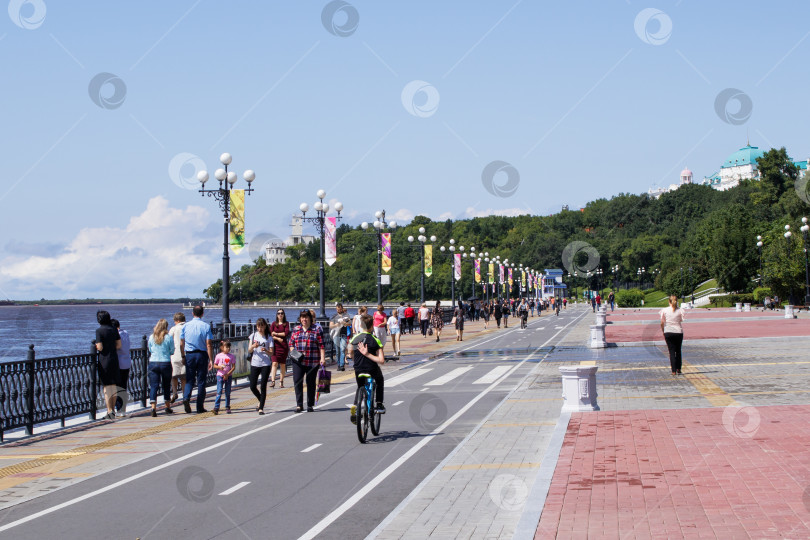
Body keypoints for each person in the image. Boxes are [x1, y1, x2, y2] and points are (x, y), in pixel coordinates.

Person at [347, 314, 386, 424]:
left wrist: (356, 358)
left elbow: (349, 354)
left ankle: (356, 404)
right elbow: (381, 360)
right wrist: (368, 354)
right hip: (371, 369)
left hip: (358, 369)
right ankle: (378, 404)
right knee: (379, 380)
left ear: (360, 325)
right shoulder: (375, 340)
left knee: (360, 386)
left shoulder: (354, 338)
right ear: (372, 326)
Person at [288, 309, 325, 413]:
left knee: (311, 382)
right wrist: (294, 352)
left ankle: (310, 404)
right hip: (298, 361)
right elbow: (291, 343)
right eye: (302, 317)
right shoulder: (296, 329)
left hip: (312, 360)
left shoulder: (316, 329)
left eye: (306, 317)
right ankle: (299, 405)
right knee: (297, 381)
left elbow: (321, 345)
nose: (304, 319)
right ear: (300, 319)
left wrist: (322, 358)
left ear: (310, 318)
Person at [180, 305, 214, 414]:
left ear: (192, 313)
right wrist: (211, 359)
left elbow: (181, 343)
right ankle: (200, 407)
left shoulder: (185, 326)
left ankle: (186, 397)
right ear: (202, 314)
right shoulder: (206, 326)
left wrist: (183, 356)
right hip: (201, 355)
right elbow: (208, 344)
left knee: (189, 379)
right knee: (201, 381)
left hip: (189, 355)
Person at [95, 310, 121, 420]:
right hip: (114, 359)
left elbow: (100, 347)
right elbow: (119, 345)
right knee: (113, 386)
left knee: (106, 387)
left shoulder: (99, 330)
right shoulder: (114, 329)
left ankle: (109, 410)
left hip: (104, 360)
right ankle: (113, 410)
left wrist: (97, 346)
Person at [147, 318, 174, 417]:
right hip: (165, 363)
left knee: (154, 386)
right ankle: (167, 407)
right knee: (166, 385)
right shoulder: (168, 337)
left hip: (153, 363)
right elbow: (172, 350)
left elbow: (150, 349)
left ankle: (153, 408)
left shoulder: (151, 337)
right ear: (166, 326)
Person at [248, 318, 273, 415]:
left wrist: (266, 350)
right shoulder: (253, 336)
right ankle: (260, 399)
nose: (260, 328)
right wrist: (254, 346)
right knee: (252, 386)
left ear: (265, 326)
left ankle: (261, 407)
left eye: (262, 326)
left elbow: (271, 353)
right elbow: (249, 350)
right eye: (258, 326)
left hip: (265, 364)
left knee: (263, 386)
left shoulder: (269, 337)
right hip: (255, 363)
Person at [660, 295, 687, 375]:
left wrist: (663, 330)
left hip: (668, 331)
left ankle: (673, 370)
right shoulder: (680, 310)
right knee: (678, 351)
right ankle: (679, 368)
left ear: (669, 301)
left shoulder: (664, 310)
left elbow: (662, 322)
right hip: (678, 332)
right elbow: (681, 320)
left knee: (671, 351)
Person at [111, 319, 130, 416]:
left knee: (117, 387)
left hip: (118, 363)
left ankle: (118, 409)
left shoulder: (116, 334)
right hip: (127, 363)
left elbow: (117, 346)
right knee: (123, 386)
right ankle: (123, 409)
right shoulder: (125, 333)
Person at [213, 340, 236, 415]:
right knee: (219, 391)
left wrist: (228, 374)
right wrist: (219, 367)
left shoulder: (231, 356)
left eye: (229, 347)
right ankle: (216, 407)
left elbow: (233, 367)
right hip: (220, 375)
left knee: (228, 392)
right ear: (222, 347)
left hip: (228, 376)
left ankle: (227, 406)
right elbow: (215, 365)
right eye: (226, 347)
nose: (228, 349)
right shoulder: (218, 356)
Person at [168, 312, 186, 404]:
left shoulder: (174, 329)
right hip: (185, 356)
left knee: (174, 376)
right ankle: (184, 395)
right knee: (184, 377)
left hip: (175, 355)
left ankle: (174, 393)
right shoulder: (187, 327)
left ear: (177, 320)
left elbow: (168, 340)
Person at [270, 309, 290, 388]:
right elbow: (271, 334)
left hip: (283, 346)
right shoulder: (274, 324)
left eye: (282, 313)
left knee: (282, 364)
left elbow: (286, 333)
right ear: (277, 315)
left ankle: (281, 381)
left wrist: (276, 333)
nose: (280, 315)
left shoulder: (286, 323)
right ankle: (273, 381)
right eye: (279, 313)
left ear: (284, 315)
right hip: (275, 346)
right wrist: (277, 338)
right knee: (274, 363)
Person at [330, 303, 351, 371]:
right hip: (336, 335)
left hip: (343, 334)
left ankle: (342, 365)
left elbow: (349, 323)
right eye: (337, 309)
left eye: (340, 309)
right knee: (338, 351)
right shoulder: (334, 316)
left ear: (342, 308)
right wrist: (337, 324)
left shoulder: (346, 315)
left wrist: (344, 323)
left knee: (342, 349)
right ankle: (338, 365)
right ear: (336, 309)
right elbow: (331, 326)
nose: (339, 310)